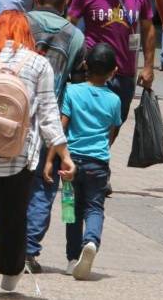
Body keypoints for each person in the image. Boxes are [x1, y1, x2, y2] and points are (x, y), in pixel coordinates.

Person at [0, 10, 75, 299]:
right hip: (21, 152)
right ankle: (11, 273)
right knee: (15, 212)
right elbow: (49, 113)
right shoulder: (39, 63)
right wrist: (64, 152)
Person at [25, 0, 86, 273]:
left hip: (12, 116)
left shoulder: (18, 23)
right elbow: (76, 83)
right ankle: (28, 250)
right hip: (50, 122)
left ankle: (2, 242)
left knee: (9, 183)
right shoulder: (75, 36)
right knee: (44, 184)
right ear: (67, 1)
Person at [47, 43, 121, 280]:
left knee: (71, 209)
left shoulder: (72, 91)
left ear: (86, 65)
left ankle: (71, 258)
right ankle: (91, 241)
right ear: (114, 71)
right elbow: (112, 132)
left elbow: (63, 124)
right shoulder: (115, 100)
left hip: (71, 161)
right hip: (98, 162)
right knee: (95, 207)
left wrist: (52, 157)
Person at [68, 0, 155, 124]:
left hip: (125, 73)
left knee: (116, 122)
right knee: (87, 123)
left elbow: (148, 29)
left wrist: (148, 66)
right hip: (92, 72)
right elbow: (69, 26)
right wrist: (74, 59)